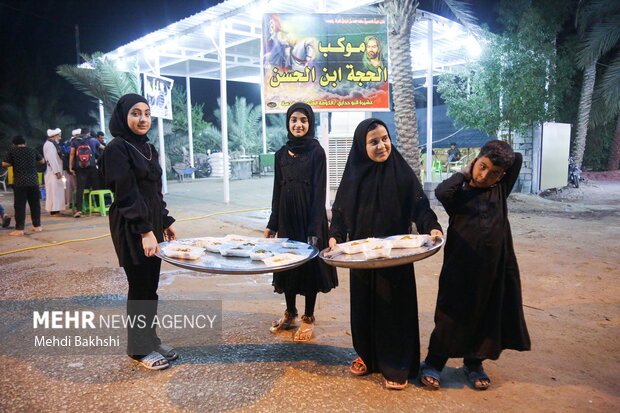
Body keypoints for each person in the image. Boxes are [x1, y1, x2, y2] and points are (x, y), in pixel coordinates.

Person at [328, 118, 443, 390]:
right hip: (362, 257)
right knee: (364, 305)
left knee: (393, 309)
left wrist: (433, 226)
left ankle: (397, 364)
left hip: (395, 257)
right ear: (361, 146)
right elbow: (340, 212)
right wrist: (335, 235)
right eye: (373, 142)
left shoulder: (401, 173)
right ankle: (367, 355)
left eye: (384, 139)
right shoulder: (354, 175)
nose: (382, 146)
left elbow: (420, 207)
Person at [420, 140, 531, 391]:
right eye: (482, 167)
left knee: (485, 314)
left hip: (492, 270)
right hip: (460, 269)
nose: (485, 176)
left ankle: (474, 363)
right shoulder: (459, 193)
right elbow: (440, 192)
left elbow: (518, 159)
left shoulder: (500, 189)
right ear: (474, 162)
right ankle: (433, 363)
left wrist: (498, 166)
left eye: (494, 173)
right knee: (450, 315)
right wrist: (464, 173)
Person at [102, 93, 178, 370]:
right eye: (135, 113)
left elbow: (154, 191)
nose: (143, 118)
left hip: (151, 224)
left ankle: (150, 339)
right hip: (131, 226)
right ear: (123, 117)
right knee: (139, 287)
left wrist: (165, 220)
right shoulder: (117, 149)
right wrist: (146, 230)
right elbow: (126, 194)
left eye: (146, 113)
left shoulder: (146, 147)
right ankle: (138, 350)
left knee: (151, 287)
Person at [265, 102, 338, 342]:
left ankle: (308, 317)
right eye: (294, 119)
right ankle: (290, 313)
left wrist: (314, 229)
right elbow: (277, 190)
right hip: (287, 219)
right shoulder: (280, 154)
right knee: (287, 266)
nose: (298, 124)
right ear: (288, 122)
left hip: (310, 219)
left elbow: (319, 192)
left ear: (310, 123)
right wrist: (272, 223)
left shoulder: (317, 152)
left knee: (309, 268)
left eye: (304, 120)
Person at [2, 135, 45, 235]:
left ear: (14, 144)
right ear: (25, 143)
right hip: (33, 181)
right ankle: (37, 226)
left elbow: (4, 163)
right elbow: (42, 161)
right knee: (35, 204)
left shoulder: (12, 151)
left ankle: (19, 229)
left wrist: (13, 162)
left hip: (20, 182)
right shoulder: (32, 150)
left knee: (20, 206)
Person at [69, 127, 100, 217]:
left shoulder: (75, 141)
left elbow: (72, 154)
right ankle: (97, 207)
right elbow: (103, 147)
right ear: (89, 133)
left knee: (80, 188)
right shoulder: (93, 140)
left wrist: (71, 167)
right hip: (92, 166)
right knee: (96, 186)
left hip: (80, 167)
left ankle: (79, 210)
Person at [43, 128, 66, 215]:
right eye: (59, 136)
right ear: (54, 136)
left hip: (55, 171)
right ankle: (54, 209)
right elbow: (52, 159)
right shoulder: (49, 145)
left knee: (56, 191)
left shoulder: (51, 144)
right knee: (54, 191)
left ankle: (56, 208)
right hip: (53, 172)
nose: (60, 138)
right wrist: (57, 172)